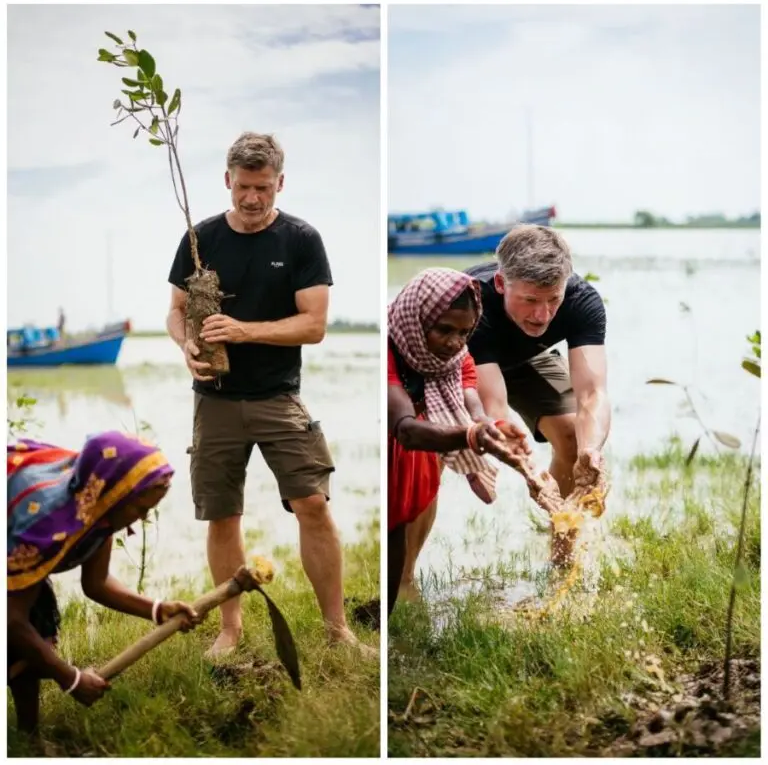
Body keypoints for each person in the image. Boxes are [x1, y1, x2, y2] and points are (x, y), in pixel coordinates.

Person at [166, 132, 368, 658]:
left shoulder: (301, 239)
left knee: (313, 505)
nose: (252, 199)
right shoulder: (200, 237)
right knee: (222, 514)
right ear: (226, 180)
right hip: (214, 400)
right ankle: (229, 630)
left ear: (280, 183)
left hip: (279, 397)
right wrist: (187, 343)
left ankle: (337, 630)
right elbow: (174, 309)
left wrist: (243, 330)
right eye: (243, 187)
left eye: (263, 188)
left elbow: (314, 325)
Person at [7, 432, 202, 734]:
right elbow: (11, 620)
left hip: (17, 566)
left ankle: (27, 736)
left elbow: (96, 583)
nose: (142, 518)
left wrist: (158, 609)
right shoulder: (48, 525)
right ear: (116, 494)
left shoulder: (100, 509)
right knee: (20, 643)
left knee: (33, 641)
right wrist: (71, 679)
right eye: (140, 509)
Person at [387, 268, 531, 615]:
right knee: (392, 525)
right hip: (399, 441)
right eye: (444, 330)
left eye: (465, 332)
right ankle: (389, 610)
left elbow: (469, 399)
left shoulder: (456, 356)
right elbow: (406, 428)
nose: (454, 341)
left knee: (405, 519)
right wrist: (471, 436)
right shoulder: (389, 351)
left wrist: (491, 426)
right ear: (417, 319)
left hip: (420, 447)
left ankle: (394, 602)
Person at [466, 224, 610, 504]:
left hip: (535, 356)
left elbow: (593, 393)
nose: (542, 315)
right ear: (500, 283)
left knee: (574, 438)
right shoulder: (471, 300)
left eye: (553, 299)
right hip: (470, 366)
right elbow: (495, 407)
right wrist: (529, 469)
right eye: (530, 300)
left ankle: (565, 540)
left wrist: (590, 450)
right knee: (430, 452)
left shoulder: (581, 300)